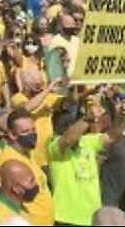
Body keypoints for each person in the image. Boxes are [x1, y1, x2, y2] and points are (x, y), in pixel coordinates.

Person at [47, 96, 112, 226]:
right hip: (67, 218)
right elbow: (67, 140)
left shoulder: (88, 141)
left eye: (73, 124)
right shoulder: (52, 145)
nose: (74, 129)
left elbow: (112, 136)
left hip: (92, 217)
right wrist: (88, 118)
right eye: (66, 126)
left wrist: (121, 116)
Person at [0, 108, 54, 225]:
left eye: (33, 130)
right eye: (26, 131)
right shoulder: (9, 163)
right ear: (12, 135)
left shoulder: (27, 152)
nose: (32, 134)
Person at [0, 159, 40, 226]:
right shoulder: (2, 219)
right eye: (31, 181)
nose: (36, 184)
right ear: (16, 189)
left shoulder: (15, 204)